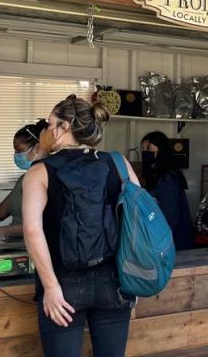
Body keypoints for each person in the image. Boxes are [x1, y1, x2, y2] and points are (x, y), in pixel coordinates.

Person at [23, 95, 140, 356]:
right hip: (114, 283)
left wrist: (51, 287)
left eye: (50, 123)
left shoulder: (39, 172)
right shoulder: (118, 163)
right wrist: (135, 276)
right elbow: (137, 222)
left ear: (64, 128)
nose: (46, 129)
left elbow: (32, 230)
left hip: (62, 285)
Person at [140, 131, 195, 251]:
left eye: (149, 148)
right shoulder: (156, 176)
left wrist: (157, 242)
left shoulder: (167, 178)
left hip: (174, 244)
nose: (145, 152)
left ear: (161, 149)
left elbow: (170, 216)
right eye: (143, 149)